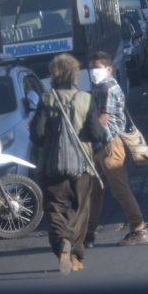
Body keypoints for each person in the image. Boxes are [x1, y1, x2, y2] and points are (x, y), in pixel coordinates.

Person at [29, 53, 104, 275]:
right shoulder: (86, 99)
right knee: (81, 209)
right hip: (83, 166)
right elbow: (95, 133)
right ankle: (77, 255)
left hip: (52, 167)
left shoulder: (46, 99)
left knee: (55, 208)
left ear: (54, 75)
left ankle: (62, 242)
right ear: (73, 75)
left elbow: (38, 135)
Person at [85, 52, 148, 249]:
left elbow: (103, 119)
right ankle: (89, 233)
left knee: (120, 189)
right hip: (100, 146)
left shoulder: (108, 88)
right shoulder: (99, 87)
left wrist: (84, 132)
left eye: (97, 68)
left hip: (111, 145)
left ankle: (139, 229)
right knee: (94, 191)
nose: (94, 72)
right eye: (92, 68)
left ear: (109, 69)